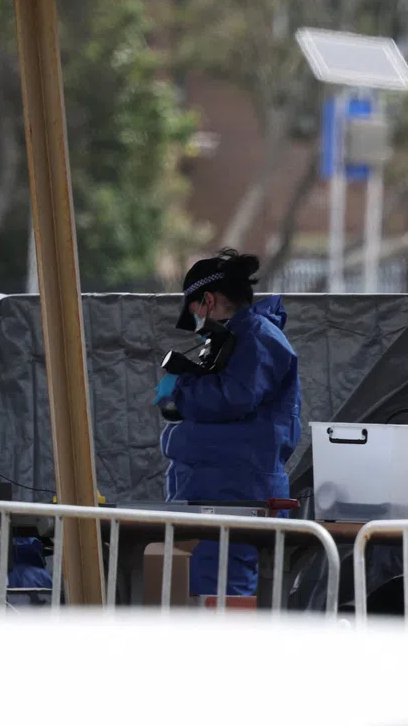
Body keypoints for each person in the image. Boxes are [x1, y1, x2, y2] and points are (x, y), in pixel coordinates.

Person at [154, 249, 301, 599]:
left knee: (221, 600)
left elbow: (233, 397)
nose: (194, 321)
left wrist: (181, 388)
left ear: (207, 300)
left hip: (233, 497)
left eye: (194, 309)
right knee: (201, 597)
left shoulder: (258, 337)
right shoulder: (236, 338)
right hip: (212, 494)